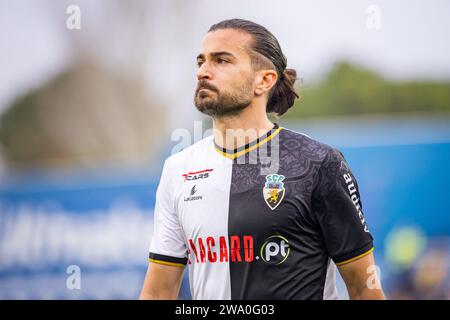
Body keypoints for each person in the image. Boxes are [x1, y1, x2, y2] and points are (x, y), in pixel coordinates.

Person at [139, 18, 385, 300]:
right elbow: (158, 292)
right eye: (201, 62)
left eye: (221, 61)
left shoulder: (319, 163)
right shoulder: (177, 169)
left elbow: (364, 288)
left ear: (264, 80)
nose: (203, 72)